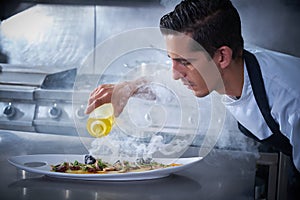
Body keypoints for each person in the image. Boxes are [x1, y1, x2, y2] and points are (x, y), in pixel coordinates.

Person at [85, 0, 300, 197]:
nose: (175, 74)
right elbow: (168, 85)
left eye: (185, 62)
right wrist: (131, 87)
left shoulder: (291, 98)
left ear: (222, 56)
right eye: (172, 60)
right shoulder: (228, 61)